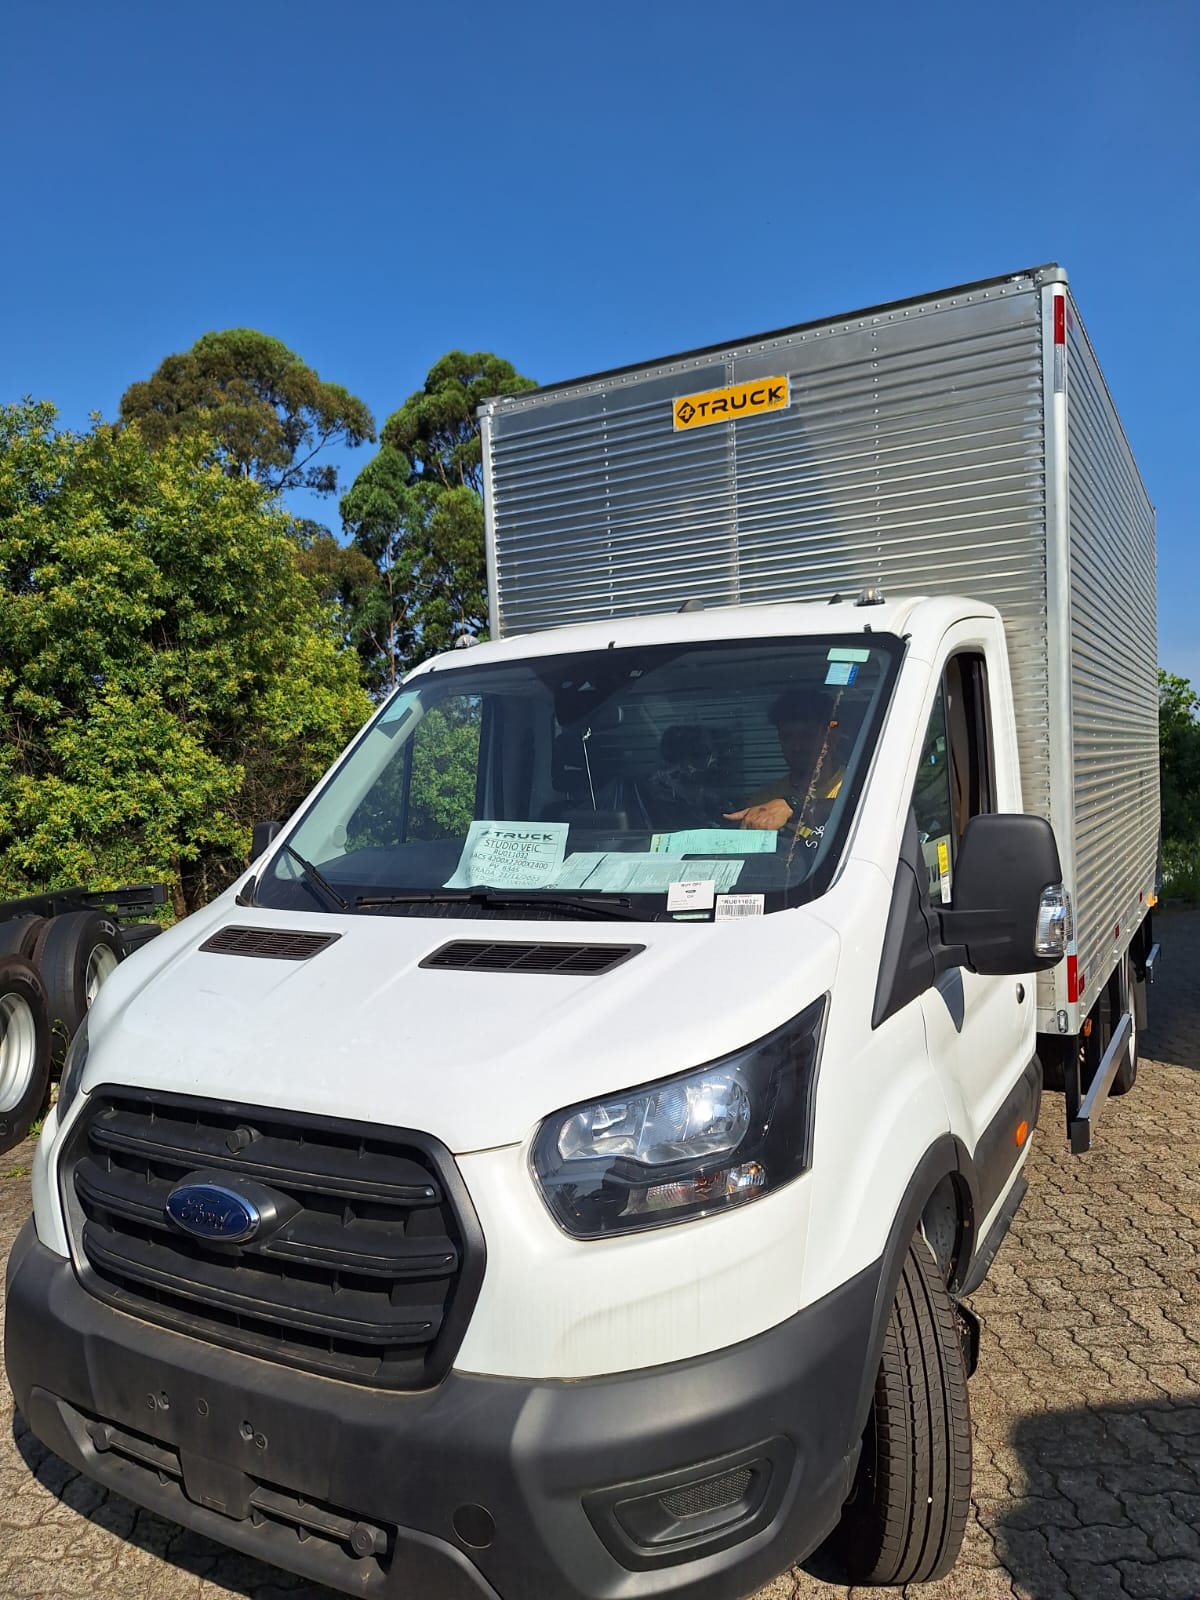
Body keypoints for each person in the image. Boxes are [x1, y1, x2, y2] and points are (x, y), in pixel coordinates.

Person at [724, 688, 844, 834]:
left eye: (807, 735)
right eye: (787, 737)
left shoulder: (858, 787)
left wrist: (793, 806)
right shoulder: (763, 802)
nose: (796, 747)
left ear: (831, 738)